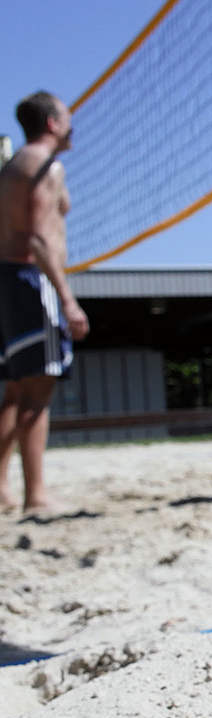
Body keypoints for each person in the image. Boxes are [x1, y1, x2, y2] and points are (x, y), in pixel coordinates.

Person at [0, 92, 90, 516]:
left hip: (8, 280)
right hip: (32, 280)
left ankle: (2, 487)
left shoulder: (15, 165)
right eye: (68, 117)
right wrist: (68, 302)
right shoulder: (44, 166)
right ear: (53, 124)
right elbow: (38, 237)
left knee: (16, 391)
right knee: (38, 391)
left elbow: (56, 211)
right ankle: (36, 495)